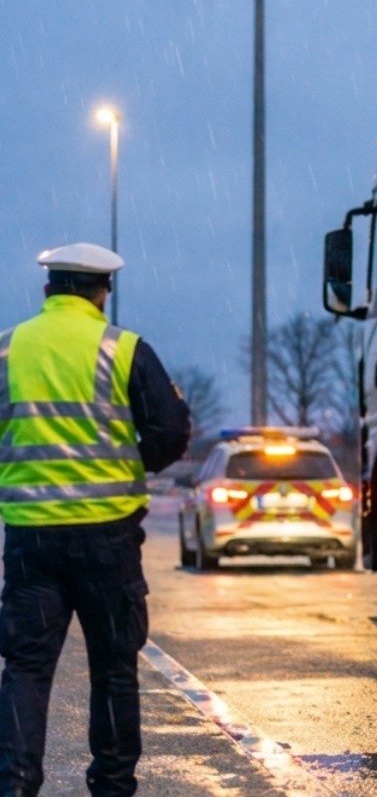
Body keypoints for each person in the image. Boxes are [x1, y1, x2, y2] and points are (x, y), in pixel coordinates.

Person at [0, 244, 190, 797]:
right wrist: (130, 463)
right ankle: (112, 786)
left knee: (26, 668)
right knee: (113, 668)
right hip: (108, 539)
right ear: (103, 293)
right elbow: (172, 432)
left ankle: (15, 785)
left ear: (48, 290)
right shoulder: (125, 349)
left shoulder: (8, 350)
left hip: (31, 540)